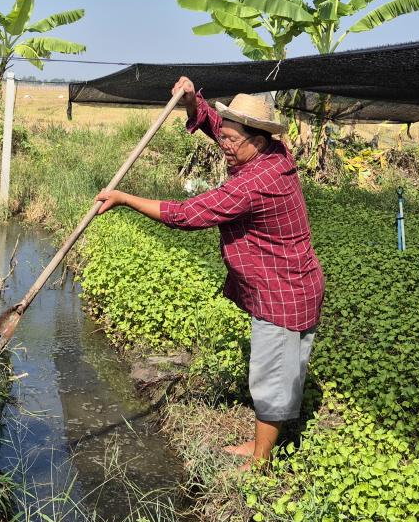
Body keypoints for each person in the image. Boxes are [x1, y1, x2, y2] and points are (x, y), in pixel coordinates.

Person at [95, 77, 324, 467]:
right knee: (280, 366)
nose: (226, 146)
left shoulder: (256, 182)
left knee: (272, 373)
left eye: (234, 141)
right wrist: (191, 100)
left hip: (283, 290)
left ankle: (260, 458)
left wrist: (123, 198)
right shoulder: (268, 151)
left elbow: (187, 215)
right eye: (227, 138)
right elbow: (216, 126)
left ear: (258, 138)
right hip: (290, 281)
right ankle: (275, 430)